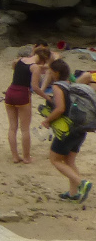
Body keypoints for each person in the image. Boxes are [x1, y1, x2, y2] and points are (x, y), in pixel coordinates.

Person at [40, 58, 92, 202]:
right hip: (79, 128)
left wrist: (47, 120)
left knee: (55, 159)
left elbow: (60, 108)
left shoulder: (58, 87)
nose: (49, 74)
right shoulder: (72, 85)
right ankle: (73, 193)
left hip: (67, 129)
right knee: (69, 161)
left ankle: (81, 183)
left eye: (50, 72)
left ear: (56, 73)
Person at [5, 46, 42, 163]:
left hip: (10, 92)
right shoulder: (35, 67)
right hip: (22, 94)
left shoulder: (19, 61)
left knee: (12, 127)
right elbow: (35, 87)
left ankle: (15, 156)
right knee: (25, 129)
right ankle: (26, 157)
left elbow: (14, 66)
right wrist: (46, 97)